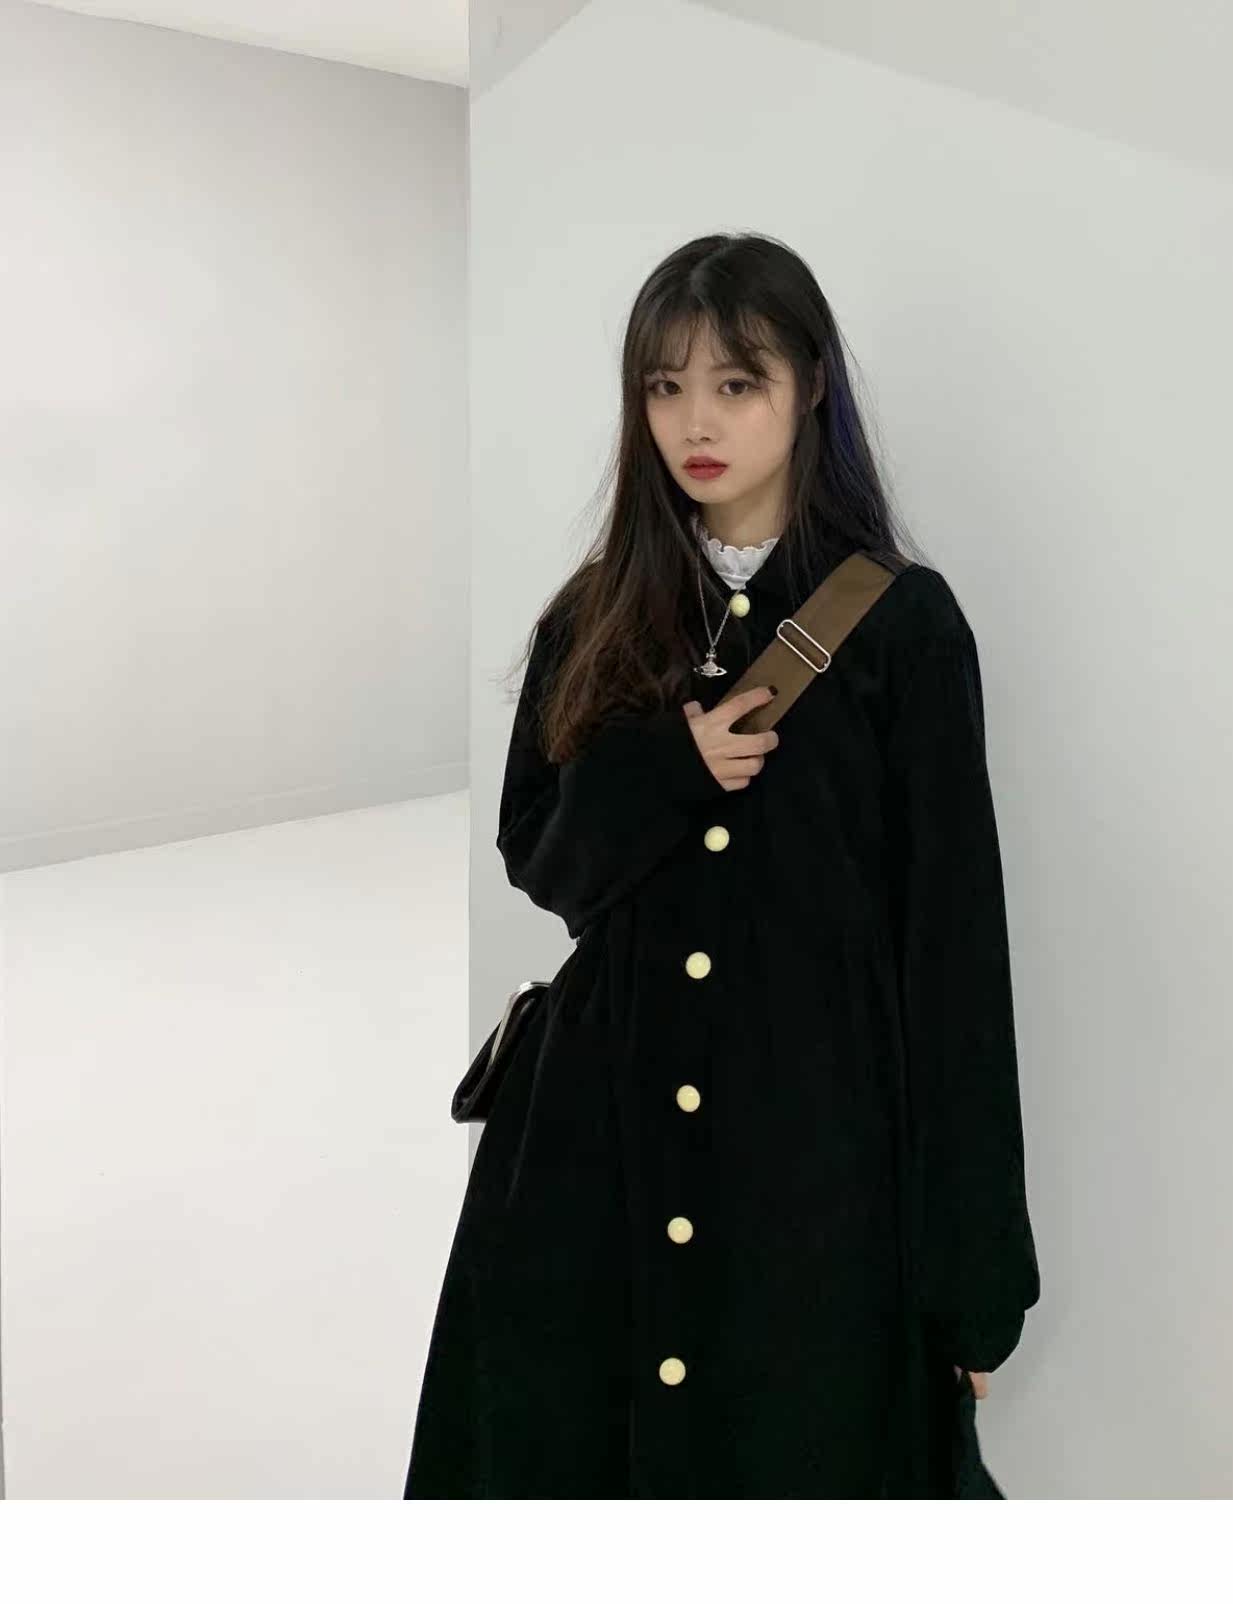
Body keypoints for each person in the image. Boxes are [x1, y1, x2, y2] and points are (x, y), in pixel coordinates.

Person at [403, 231, 1040, 1499]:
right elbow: (543, 858)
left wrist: (974, 1275)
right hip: (594, 1141)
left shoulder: (903, 626)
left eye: (737, 383)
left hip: (814, 1154)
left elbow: (954, 955)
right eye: (666, 385)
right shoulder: (596, 612)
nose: (696, 421)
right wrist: (669, 767)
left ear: (810, 388)